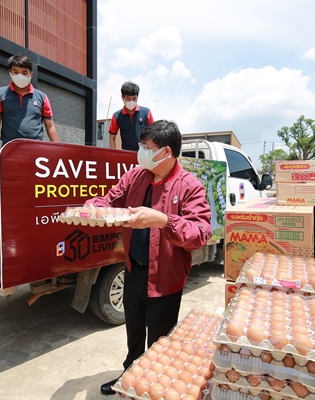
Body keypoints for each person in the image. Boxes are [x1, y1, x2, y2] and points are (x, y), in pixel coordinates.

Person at [87, 120, 212, 395]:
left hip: (166, 278)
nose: (141, 151)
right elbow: (111, 199)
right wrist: (94, 206)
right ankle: (129, 375)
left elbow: (200, 233)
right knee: (133, 333)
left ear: (166, 152)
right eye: (142, 145)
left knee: (160, 341)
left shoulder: (189, 186)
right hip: (133, 271)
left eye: (147, 147)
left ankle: (153, 388)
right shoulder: (136, 176)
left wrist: (163, 220)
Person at [0, 53, 58, 170]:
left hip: (36, 152)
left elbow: (50, 126)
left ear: (31, 74)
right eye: (15, 72)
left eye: (24, 73)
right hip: (9, 150)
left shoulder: (42, 97)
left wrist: (57, 151)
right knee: (10, 181)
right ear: (10, 72)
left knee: (34, 181)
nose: (20, 76)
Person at [108, 81, 154, 151]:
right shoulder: (117, 116)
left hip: (144, 153)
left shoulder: (146, 113)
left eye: (134, 98)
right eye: (128, 99)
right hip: (126, 153)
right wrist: (113, 154)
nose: (131, 101)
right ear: (122, 97)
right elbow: (112, 137)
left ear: (137, 97)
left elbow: (153, 134)